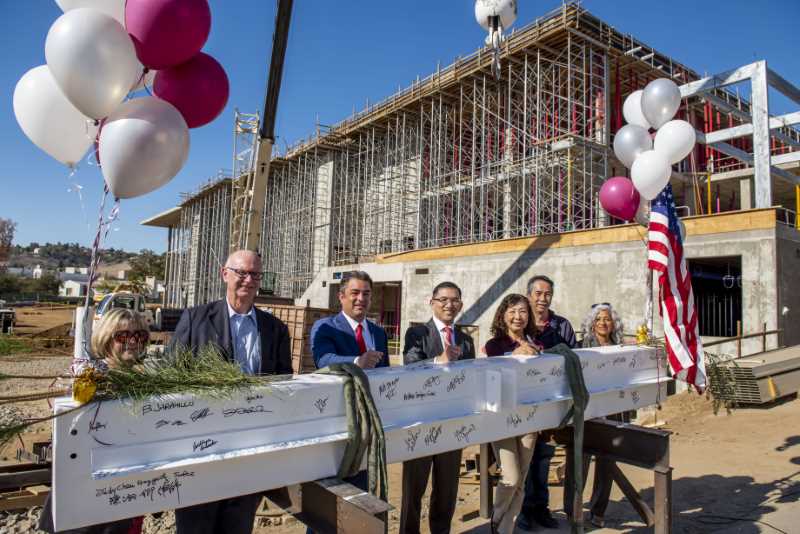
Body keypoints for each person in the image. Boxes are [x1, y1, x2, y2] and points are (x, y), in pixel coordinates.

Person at [170, 249, 292, 534]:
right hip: (200, 452)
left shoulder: (275, 330)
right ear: (225, 274)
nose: (249, 280)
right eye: (242, 273)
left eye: (255, 274)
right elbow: (172, 379)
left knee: (237, 526)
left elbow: (284, 387)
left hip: (249, 453)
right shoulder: (196, 319)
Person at [39, 309, 150, 534]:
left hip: (125, 499)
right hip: (81, 508)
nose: (132, 342)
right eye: (122, 336)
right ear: (105, 339)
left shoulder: (147, 383)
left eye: (139, 336)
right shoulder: (87, 378)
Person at [400, 282, 476, 534]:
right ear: (431, 302)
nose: (449, 304)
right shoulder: (417, 333)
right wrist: (437, 361)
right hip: (421, 422)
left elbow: (470, 379)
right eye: (443, 299)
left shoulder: (466, 340)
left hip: (452, 424)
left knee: (447, 489)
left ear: (461, 305)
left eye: (454, 300)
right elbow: (410, 367)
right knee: (414, 489)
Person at [517, 275, 577, 531]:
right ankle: (520, 511)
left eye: (547, 294)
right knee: (522, 460)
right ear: (529, 295)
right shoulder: (518, 322)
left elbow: (574, 358)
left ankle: (539, 508)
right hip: (523, 404)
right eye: (538, 293)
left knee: (543, 457)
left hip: (553, 406)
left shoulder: (562, 326)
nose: (543, 299)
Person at [483, 294, 541, 534]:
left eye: (523, 312)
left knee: (522, 481)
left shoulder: (536, 342)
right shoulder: (494, 345)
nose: (518, 317)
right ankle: (496, 519)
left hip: (530, 417)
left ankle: (505, 529)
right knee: (511, 477)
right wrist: (515, 356)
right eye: (513, 311)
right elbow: (490, 376)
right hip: (502, 419)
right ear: (503, 316)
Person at [580, 303, 627, 527]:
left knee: (606, 462)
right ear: (591, 323)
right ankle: (574, 511)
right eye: (598, 319)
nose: (602, 323)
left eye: (607, 319)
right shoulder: (582, 347)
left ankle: (598, 510)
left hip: (613, 409)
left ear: (614, 323)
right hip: (588, 410)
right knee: (580, 461)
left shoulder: (620, 347)